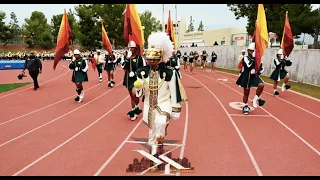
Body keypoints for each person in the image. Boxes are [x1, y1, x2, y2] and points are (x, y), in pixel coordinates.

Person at [133, 32, 187, 158]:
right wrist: (138, 86)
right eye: (149, 59)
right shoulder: (142, 72)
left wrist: (175, 110)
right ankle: (154, 150)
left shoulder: (169, 73)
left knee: (161, 123)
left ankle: (158, 142)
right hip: (148, 104)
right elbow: (139, 93)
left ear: (160, 58)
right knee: (152, 130)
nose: (151, 62)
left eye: (154, 59)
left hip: (164, 103)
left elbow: (174, 92)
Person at [236, 43, 265, 115]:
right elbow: (249, 66)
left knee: (261, 85)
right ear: (248, 51)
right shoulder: (245, 58)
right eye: (250, 51)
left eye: (253, 51)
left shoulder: (256, 59)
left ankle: (255, 99)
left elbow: (260, 69)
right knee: (246, 93)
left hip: (253, 76)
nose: (251, 52)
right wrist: (255, 60)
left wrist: (260, 67)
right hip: (246, 76)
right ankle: (245, 106)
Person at [121, 40, 146, 120]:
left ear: (136, 49)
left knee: (134, 94)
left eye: (132, 48)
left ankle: (136, 108)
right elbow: (123, 66)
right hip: (128, 78)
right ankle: (134, 110)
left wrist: (136, 73)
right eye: (129, 48)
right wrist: (127, 58)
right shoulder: (126, 58)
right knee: (131, 96)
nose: (131, 50)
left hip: (137, 78)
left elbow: (143, 68)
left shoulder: (140, 58)